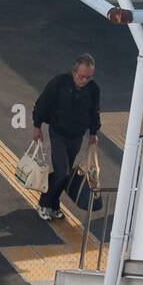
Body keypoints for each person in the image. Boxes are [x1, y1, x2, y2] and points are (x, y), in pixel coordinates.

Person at [32, 54, 101, 221]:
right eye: (81, 76)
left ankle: (54, 205)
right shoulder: (59, 83)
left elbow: (94, 112)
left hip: (77, 136)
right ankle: (45, 203)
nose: (84, 80)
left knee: (65, 173)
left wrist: (94, 132)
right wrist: (37, 126)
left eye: (88, 77)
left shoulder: (93, 89)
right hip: (58, 133)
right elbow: (42, 103)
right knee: (62, 172)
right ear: (74, 71)